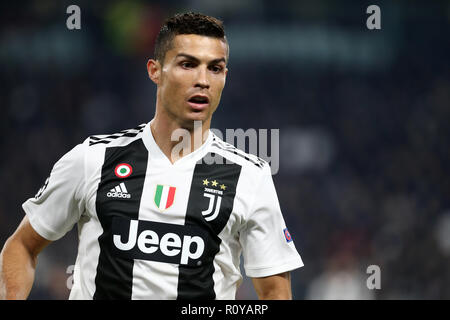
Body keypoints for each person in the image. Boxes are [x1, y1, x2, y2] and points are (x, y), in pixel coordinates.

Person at [0, 12, 303, 300]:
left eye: (215, 68)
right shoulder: (92, 159)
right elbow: (22, 247)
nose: (203, 80)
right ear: (155, 70)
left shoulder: (250, 176)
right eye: (188, 64)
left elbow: (275, 292)